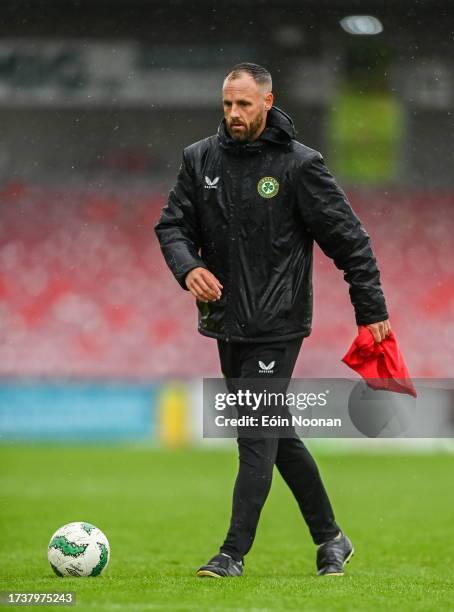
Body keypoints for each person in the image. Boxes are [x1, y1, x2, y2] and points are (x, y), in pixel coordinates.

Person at [155, 62, 391, 578]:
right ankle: (331, 538)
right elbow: (171, 224)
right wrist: (189, 266)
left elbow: (350, 242)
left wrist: (371, 310)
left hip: (279, 323)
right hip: (226, 322)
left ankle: (231, 553)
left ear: (267, 102)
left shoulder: (300, 165)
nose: (233, 114)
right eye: (226, 104)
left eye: (243, 104)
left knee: (255, 435)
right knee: (274, 432)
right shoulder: (200, 160)